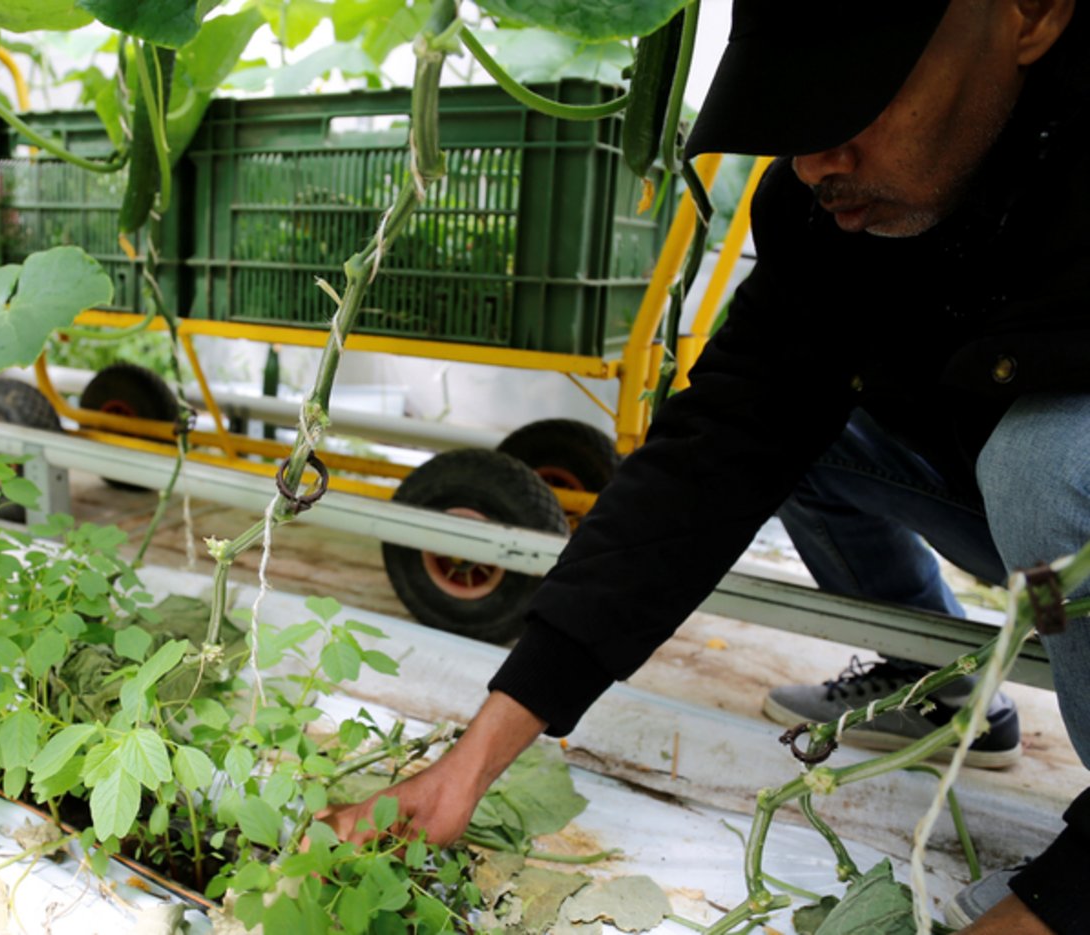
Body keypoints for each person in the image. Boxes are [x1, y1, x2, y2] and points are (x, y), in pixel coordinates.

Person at [327, 1, 1090, 932]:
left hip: (1055, 492)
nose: (814, 160)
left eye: (853, 99)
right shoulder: (830, 209)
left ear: (1031, 15)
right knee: (803, 438)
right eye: (791, 118)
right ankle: (938, 680)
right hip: (1016, 522)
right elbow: (715, 453)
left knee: (1045, 462)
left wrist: (1061, 904)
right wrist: (473, 759)